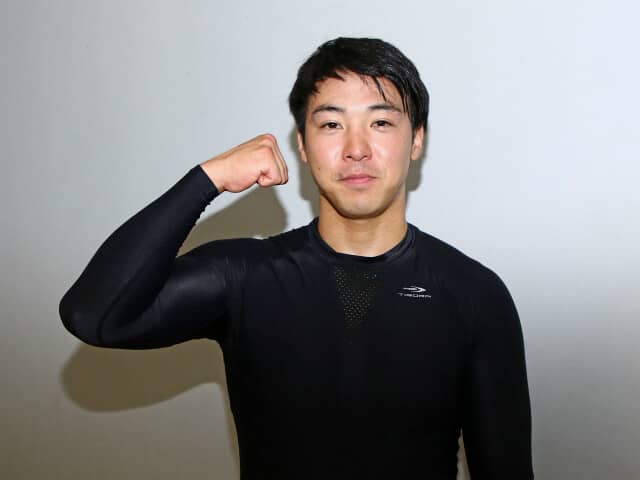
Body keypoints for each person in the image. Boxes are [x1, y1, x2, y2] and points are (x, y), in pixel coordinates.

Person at [59, 37, 534, 479]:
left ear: (416, 140)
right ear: (302, 146)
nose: (356, 149)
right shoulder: (244, 277)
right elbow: (94, 315)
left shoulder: (474, 293)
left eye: (381, 123)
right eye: (331, 124)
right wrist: (207, 179)